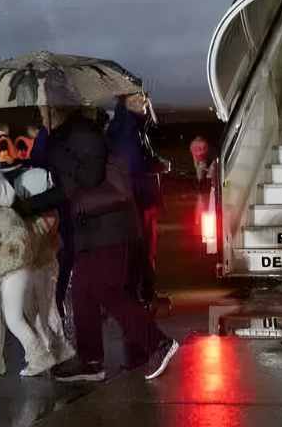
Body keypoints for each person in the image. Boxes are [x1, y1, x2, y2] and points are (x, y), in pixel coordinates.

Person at [18, 105, 180, 381]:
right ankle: (90, 360)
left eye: (44, 107)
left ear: (58, 106)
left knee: (107, 290)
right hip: (91, 229)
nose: (41, 111)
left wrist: (58, 154)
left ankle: (158, 342)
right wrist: (27, 206)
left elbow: (89, 177)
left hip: (109, 226)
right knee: (83, 292)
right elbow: (67, 185)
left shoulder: (84, 133)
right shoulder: (65, 137)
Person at [0, 163, 74, 377]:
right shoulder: (24, 215)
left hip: (28, 267)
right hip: (31, 266)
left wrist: (2, 262)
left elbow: (21, 243)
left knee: (29, 314)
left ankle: (45, 353)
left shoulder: (19, 217)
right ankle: (51, 351)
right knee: (33, 312)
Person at [108, 91, 170, 309]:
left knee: (140, 249)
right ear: (127, 103)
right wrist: (156, 165)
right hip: (138, 200)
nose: (144, 101)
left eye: (144, 97)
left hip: (137, 199)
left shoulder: (131, 127)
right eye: (138, 98)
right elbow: (133, 165)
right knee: (142, 249)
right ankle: (141, 296)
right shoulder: (128, 130)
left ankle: (142, 294)